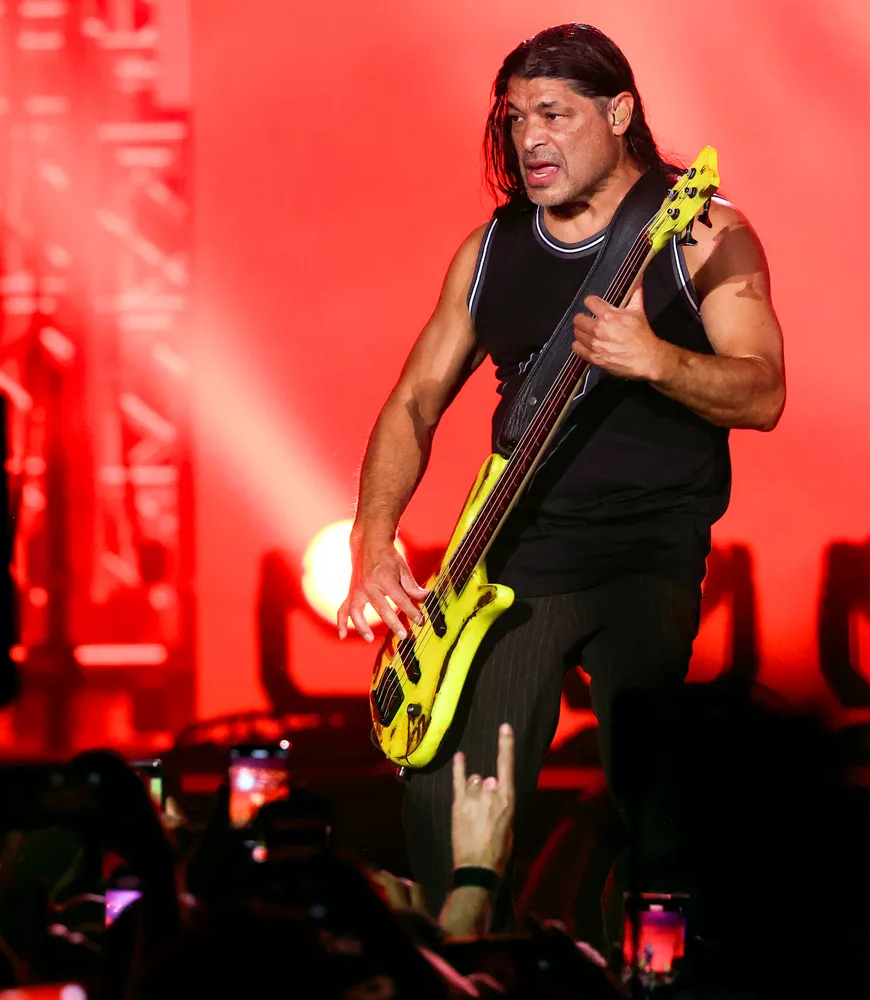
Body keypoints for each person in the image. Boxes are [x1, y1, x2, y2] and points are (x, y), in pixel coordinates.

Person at [336, 22, 786, 918]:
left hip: (644, 557)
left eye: (553, 113)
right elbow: (415, 398)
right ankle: (460, 960)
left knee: (657, 812)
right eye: (513, 119)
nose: (528, 139)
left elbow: (764, 393)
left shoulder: (700, 233)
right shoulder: (492, 249)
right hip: (512, 562)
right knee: (447, 798)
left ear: (619, 113)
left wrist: (655, 359)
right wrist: (373, 537)